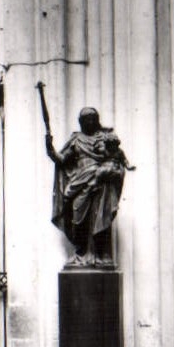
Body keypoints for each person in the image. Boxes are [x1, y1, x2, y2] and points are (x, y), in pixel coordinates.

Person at [45, 107, 132, 266]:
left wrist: (110, 171)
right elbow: (61, 160)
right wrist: (50, 149)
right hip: (79, 183)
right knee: (77, 216)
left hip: (101, 184)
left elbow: (117, 159)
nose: (89, 121)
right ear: (81, 122)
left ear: (96, 119)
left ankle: (100, 255)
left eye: (92, 118)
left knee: (101, 218)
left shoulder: (105, 137)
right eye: (85, 119)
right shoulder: (76, 140)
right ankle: (82, 253)